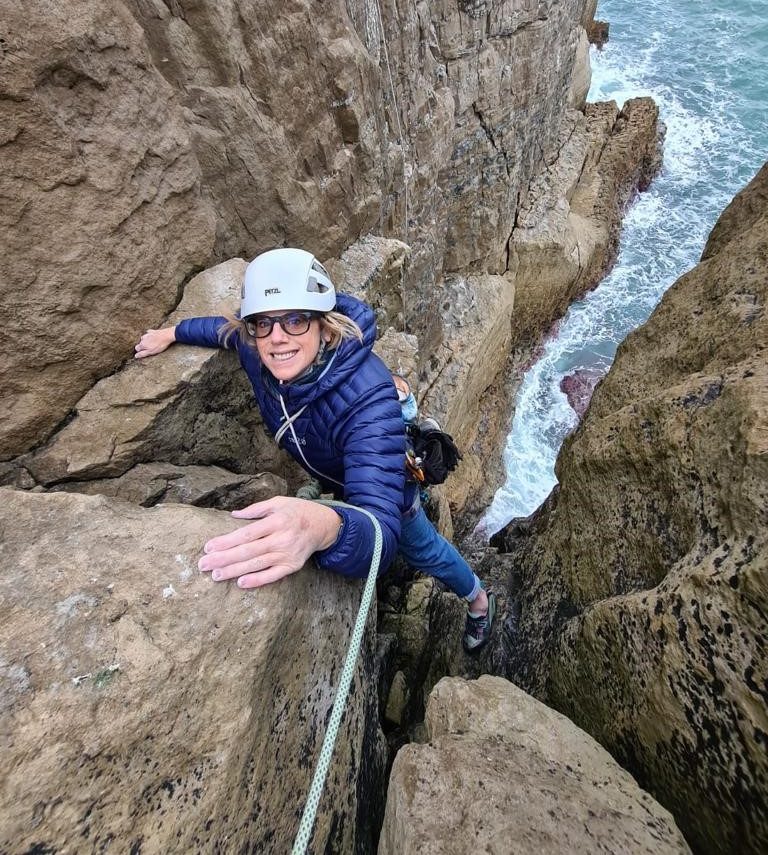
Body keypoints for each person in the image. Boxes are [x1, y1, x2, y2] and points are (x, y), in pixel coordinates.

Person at [135, 248, 495, 652]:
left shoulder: (369, 401)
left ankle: (478, 599)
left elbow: (380, 536)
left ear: (325, 328)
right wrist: (174, 332)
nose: (277, 337)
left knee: (425, 550)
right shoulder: (257, 349)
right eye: (264, 323)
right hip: (333, 469)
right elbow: (224, 331)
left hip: (390, 489)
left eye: (295, 319)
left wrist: (322, 527)